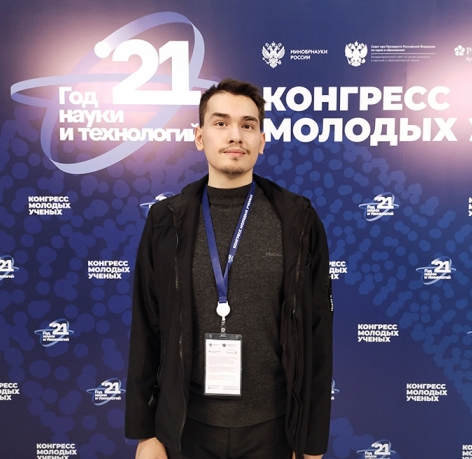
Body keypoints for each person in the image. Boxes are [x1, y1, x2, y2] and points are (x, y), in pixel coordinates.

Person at [125, 78, 333, 459]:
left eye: (247, 125)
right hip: (186, 431)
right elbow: (146, 330)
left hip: (274, 431)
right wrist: (146, 433)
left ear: (261, 141)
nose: (235, 135)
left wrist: (312, 443)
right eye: (221, 123)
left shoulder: (298, 221)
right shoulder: (165, 221)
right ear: (199, 136)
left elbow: (317, 335)